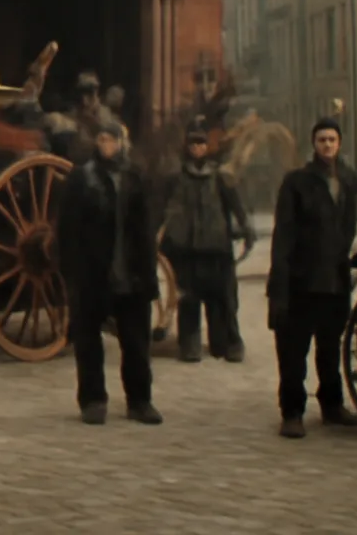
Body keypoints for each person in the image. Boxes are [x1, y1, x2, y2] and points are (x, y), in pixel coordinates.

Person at [56, 119, 163, 426]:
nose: (107, 145)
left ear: (121, 143)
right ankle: (92, 400)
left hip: (130, 272)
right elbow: (67, 230)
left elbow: (145, 231)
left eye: (112, 140)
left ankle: (140, 400)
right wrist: (72, 273)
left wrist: (149, 273)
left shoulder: (134, 177)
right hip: (93, 275)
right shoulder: (82, 179)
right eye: (102, 139)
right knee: (89, 342)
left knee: (136, 343)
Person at [267, 117, 357, 439]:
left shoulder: (348, 182)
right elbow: (283, 236)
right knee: (294, 350)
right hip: (301, 281)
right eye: (322, 140)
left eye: (332, 140)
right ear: (314, 144)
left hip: (334, 281)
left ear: (339, 143)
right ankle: (292, 412)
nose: (327, 145)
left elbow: (348, 229)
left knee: (330, 348)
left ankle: (332, 406)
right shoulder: (297, 183)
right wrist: (280, 283)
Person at [160, 119, 256, 363]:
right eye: (193, 144)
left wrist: (246, 228)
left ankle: (228, 342)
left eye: (201, 144)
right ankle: (190, 343)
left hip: (217, 248)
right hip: (186, 248)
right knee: (188, 299)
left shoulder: (221, 177)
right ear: (187, 147)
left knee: (223, 298)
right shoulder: (175, 178)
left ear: (207, 147)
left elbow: (237, 206)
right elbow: (162, 210)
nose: (197, 148)